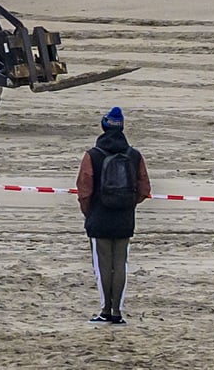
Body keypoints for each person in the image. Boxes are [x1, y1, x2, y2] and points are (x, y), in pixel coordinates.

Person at [76, 106, 147, 324]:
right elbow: (144, 189)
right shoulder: (134, 155)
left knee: (103, 266)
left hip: (99, 217)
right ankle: (118, 312)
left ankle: (105, 310)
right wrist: (127, 204)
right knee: (121, 264)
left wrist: (90, 212)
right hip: (124, 218)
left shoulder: (92, 156)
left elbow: (84, 190)